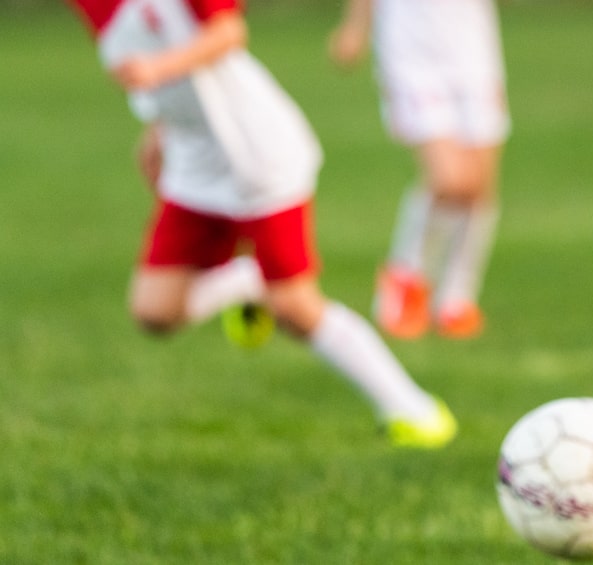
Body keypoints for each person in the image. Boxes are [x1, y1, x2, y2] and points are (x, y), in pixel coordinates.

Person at [67, 0, 457, 449]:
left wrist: (158, 68)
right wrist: (158, 127)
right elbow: (145, 56)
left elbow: (229, 32)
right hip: (193, 165)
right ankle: (247, 281)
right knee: (154, 312)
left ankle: (413, 409)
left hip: (257, 154)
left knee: (295, 307)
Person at [328, 0, 509, 340]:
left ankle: (456, 299)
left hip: (474, 48)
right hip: (411, 51)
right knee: (449, 179)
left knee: (480, 185)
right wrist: (355, 27)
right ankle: (405, 276)